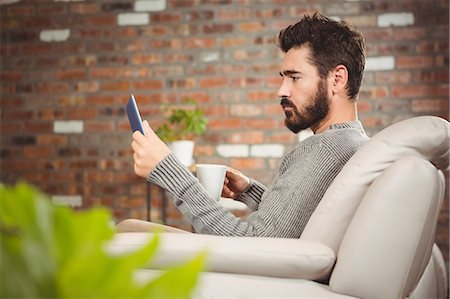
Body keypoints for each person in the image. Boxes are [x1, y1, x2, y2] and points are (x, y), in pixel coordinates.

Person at [129, 13, 369, 237]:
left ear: (337, 79)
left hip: (254, 267)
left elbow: (252, 240)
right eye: (283, 78)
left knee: (128, 230)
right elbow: (295, 220)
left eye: (294, 77)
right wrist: (249, 192)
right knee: (130, 229)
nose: (281, 90)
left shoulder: (322, 150)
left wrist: (168, 170)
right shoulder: (349, 142)